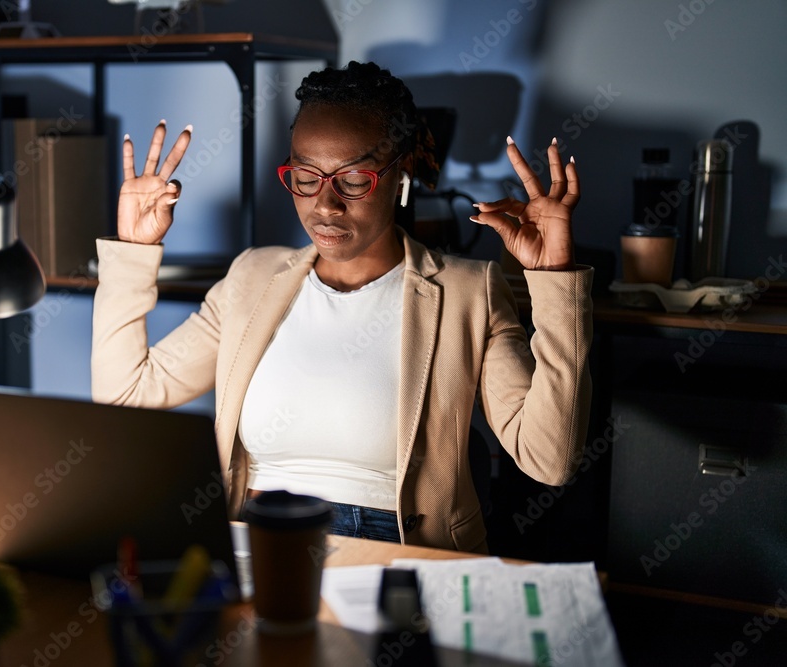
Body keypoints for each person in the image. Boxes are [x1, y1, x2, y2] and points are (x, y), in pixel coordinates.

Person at [91, 61, 593, 553]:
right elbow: (126, 393)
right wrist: (133, 251)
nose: (325, 206)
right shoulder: (252, 276)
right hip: (257, 538)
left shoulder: (469, 291)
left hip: (396, 548)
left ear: (401, 177)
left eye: (353, 181)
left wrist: (554, 280)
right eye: (305, 176)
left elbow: (549, 458)